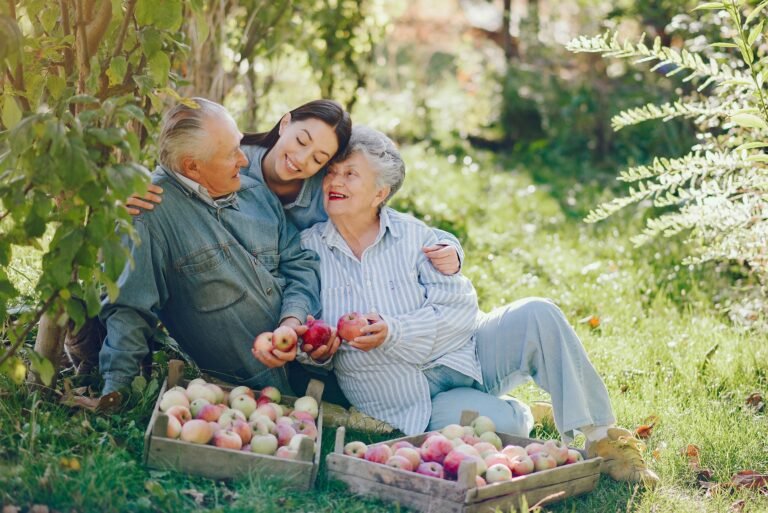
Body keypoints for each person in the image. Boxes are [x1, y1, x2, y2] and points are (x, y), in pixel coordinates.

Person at [295, 125, 660, 486]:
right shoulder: (308, 249)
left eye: (349, 173)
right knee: (507, 428)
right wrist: (318, 351)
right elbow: (309, 337)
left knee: (539, 311)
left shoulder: (416, 237)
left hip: (466, 354)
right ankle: (520, 412)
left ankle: (602, 438)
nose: (334, 182)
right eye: (331, 173)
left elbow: (459, 311)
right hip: (407, 398)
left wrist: (395, 331)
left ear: (380, 193)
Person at [98, 98, 321, 395]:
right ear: (192, 166)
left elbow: (300, 264)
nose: (244, 160)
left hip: (318, 359)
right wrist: (116, 391)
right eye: (232, 154)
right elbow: (129, 309)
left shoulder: (255, 191)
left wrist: (292, 321)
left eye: (240, 145)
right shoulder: (150, 214)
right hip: (253, 392)